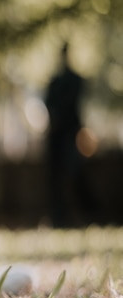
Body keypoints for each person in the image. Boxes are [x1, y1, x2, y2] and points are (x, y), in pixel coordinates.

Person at [43, 43, 96, 227]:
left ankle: (87, 212)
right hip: (57, 135)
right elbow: (49, 106)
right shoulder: (55, 82)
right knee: (56, 177)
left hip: (70, 134)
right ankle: (60, 215)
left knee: (74, 173)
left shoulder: (74, 80)